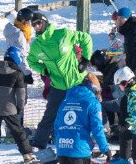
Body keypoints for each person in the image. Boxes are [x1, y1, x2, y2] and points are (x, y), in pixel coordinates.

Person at [27, 13, 93, 154]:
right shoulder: (36, 46)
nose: (37, 26)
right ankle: (39, 143)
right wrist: (43, 70)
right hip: (58, 86)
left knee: (87, 112)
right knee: (50, 115)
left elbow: (86, 38)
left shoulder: (63, 34)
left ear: (45, 22)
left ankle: (92, 141)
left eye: (39, 23)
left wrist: (85, 60)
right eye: (34, 25)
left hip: (77, 82)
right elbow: (31, 61)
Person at [0, 45, 36, 164]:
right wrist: (19, 108)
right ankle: (27, 155)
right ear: (17, 58)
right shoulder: (18, 74)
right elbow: (21, 94)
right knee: (18, 132)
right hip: (9, 109)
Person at [4, 6, 35, 77]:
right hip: (19, 70)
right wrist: (27, 73)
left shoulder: (16, 31)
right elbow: (21, 56)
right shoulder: (19, 35)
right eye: (29, 21)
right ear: (23, 20)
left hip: (15, 68)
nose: (31, 24)